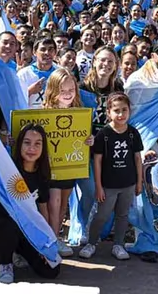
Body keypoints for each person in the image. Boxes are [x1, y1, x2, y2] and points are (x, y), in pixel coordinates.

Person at [0, 124, 60, 284]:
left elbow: (43, 212)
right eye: (27, 142)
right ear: (19, 144)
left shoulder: (42, 175)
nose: (32, 148)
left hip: (25, 232)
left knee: (51, 270)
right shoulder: (6, 168)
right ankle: (5, 263)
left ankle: (16, 251)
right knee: (10, 223)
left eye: (38, 143)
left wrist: (45, 242)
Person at [79, 92, 142, 260]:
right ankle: (91, 243)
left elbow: (137, 158)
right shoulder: (103, 134)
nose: (121, 114)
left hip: (128, 184)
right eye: (116, 110)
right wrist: (98, 186)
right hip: (108, 185)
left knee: (122, 216)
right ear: (108, 112)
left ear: (130, 111)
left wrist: (139, 182)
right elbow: (97, 161)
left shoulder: (133, 133)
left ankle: (118, 245)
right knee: (102, 216)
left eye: (124, 110)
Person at [42, 68, 91, 257]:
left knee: (63, 204)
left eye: (71, 90)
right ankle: (51, 240)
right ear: (54, 91)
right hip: (50, 169)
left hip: (69, 166)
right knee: (53, 202)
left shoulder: (79, 114)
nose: (68, 94)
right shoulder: (43, 113)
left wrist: (89, 140)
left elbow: (83, 138)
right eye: (63, 90)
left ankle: (56, 236)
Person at [17, 38, 57, 109]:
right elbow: (16, 100)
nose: (47, 53)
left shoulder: (61, 73)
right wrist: (30, 91)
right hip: (31, 118)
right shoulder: (23, 74)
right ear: (34, 52)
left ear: (55, 52)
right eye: (43, 49)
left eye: (50, 49)